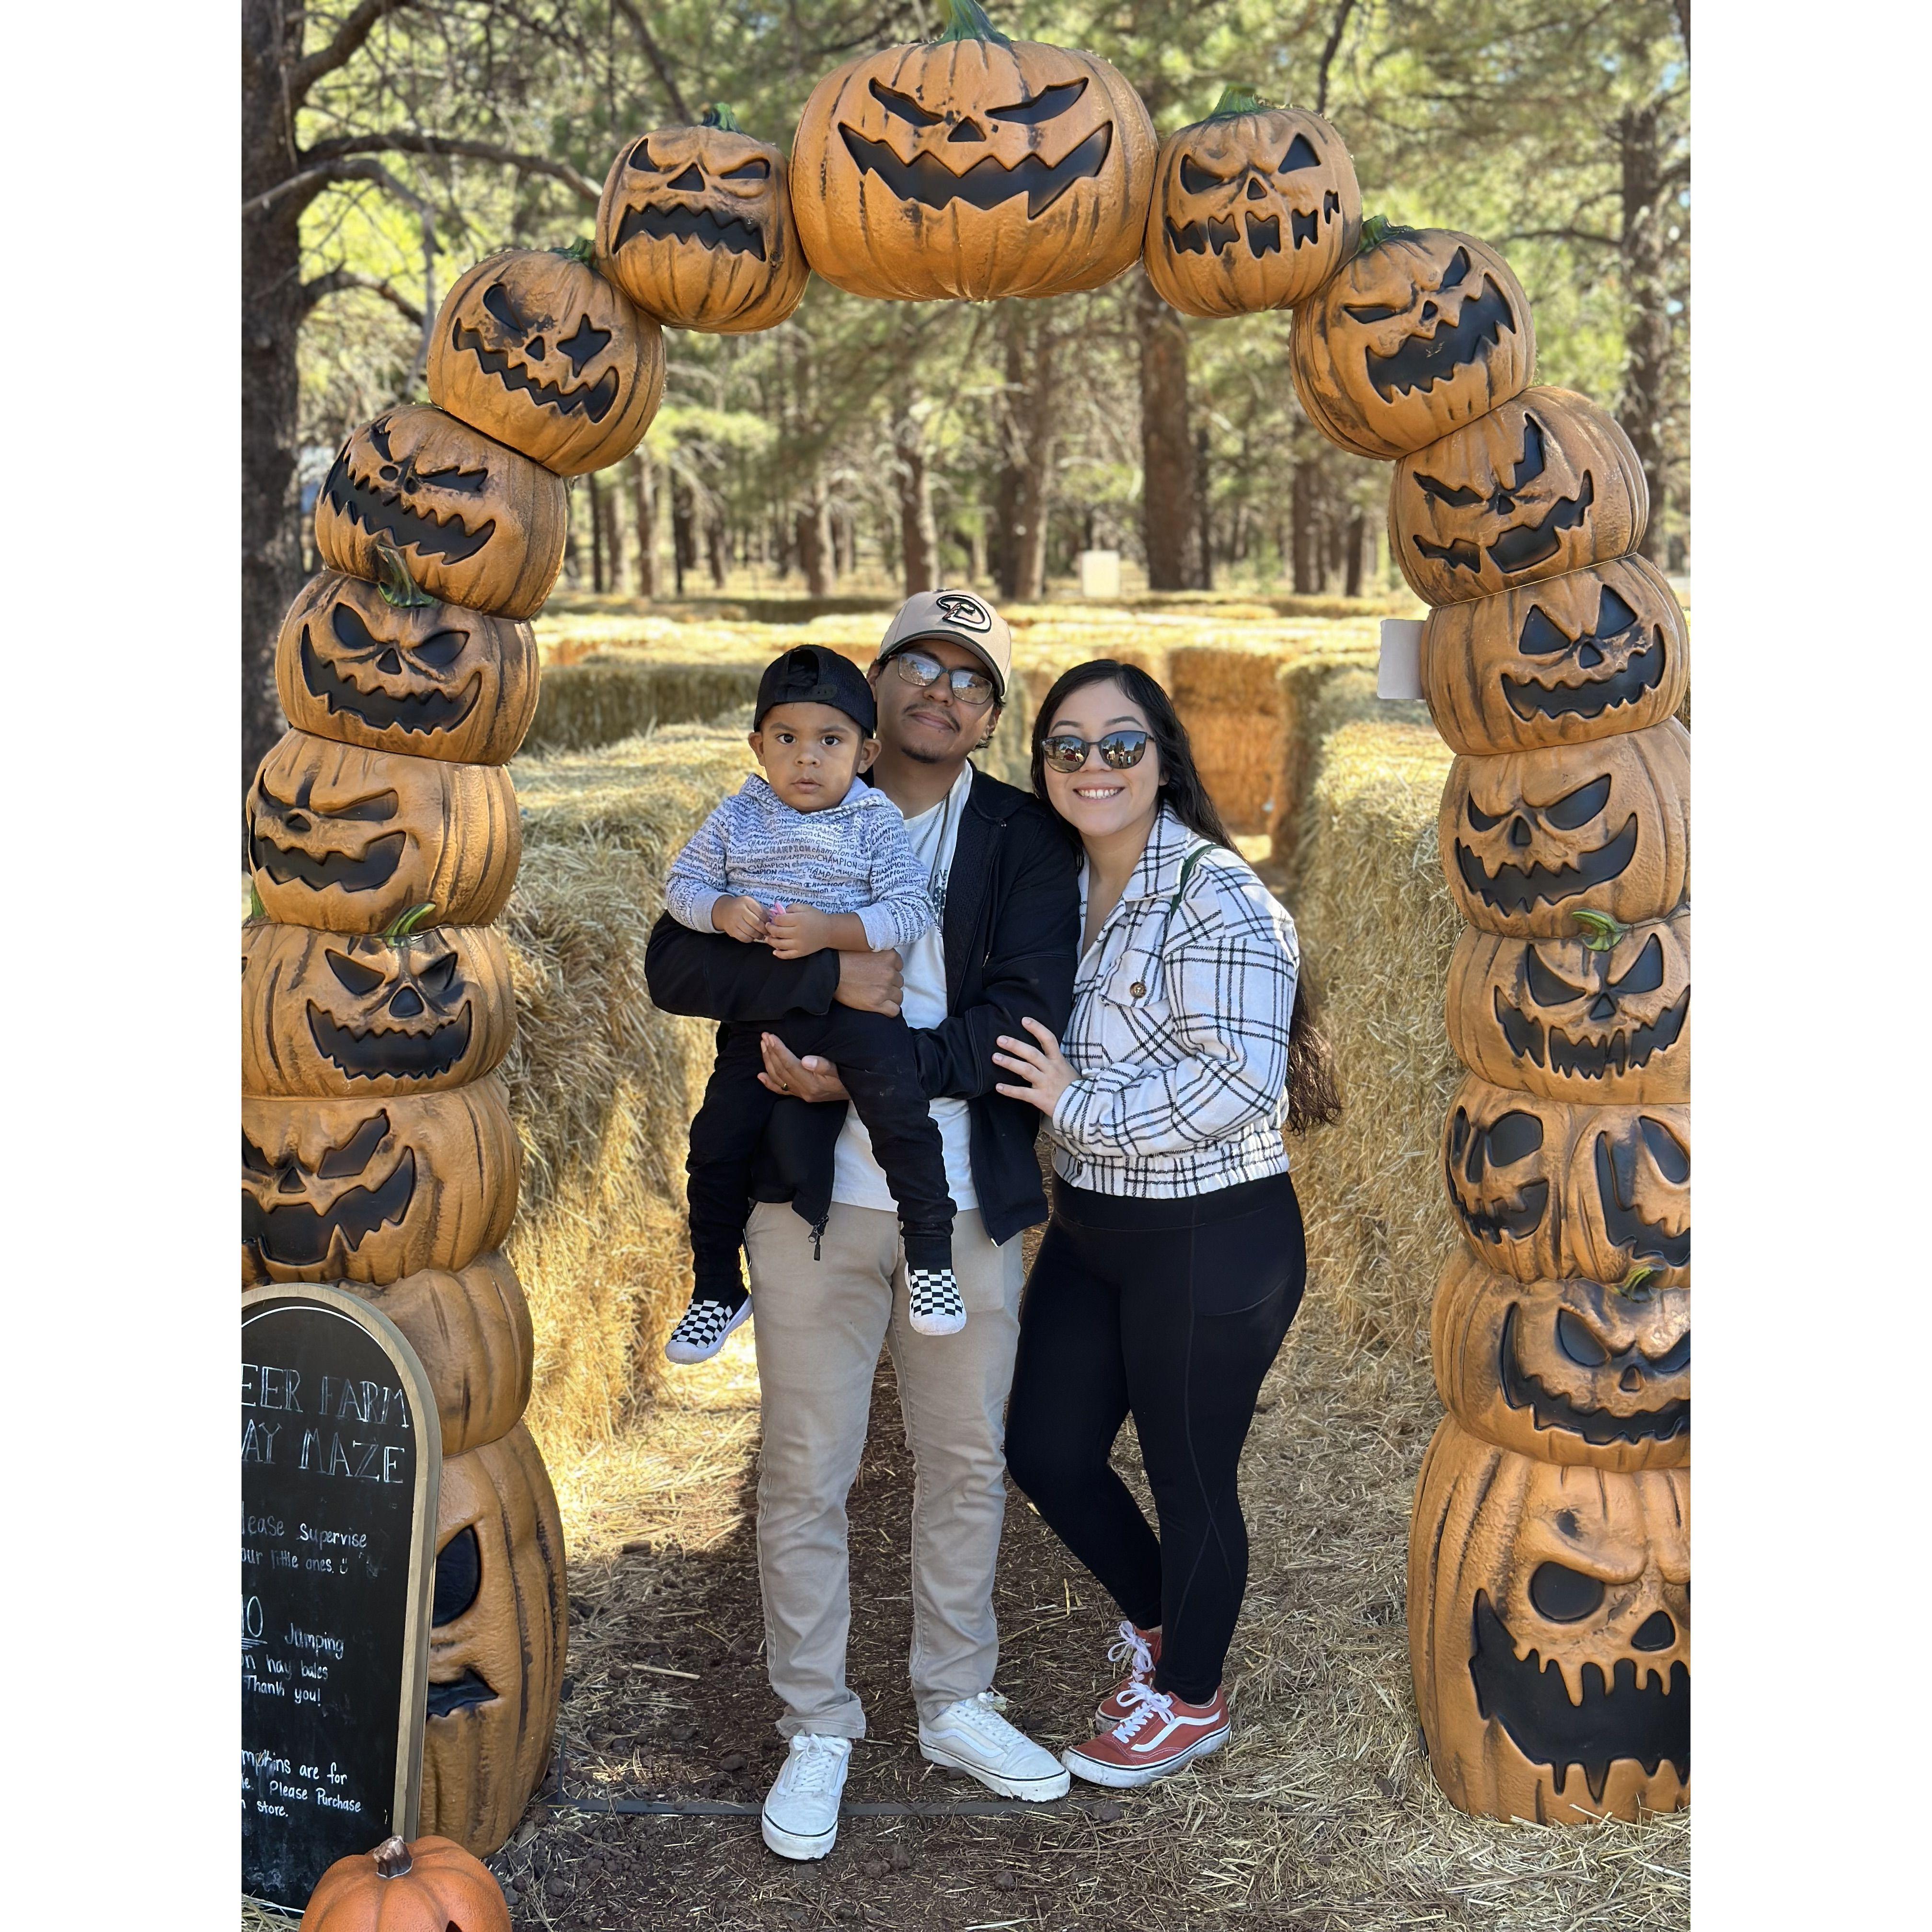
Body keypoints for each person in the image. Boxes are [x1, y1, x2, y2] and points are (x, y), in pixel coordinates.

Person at [644, 588, 1081, 1860]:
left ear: (992, 715)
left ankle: (955, 1703)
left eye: (971, 678)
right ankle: (818, 1726)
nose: (943, 691)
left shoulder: (1024, 837)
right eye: (921, 666)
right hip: (808, 1199)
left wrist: (867, 1066)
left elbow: (1024, 1014)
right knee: (804, 1469)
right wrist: (831, 977)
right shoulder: (795, 793)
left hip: (965, 1201)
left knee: (965, 1462)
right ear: (874, 686)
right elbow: (675, 964)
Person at [993, 658, 1340, 1791]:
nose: (1092, 765)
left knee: (1190, 1475)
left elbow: (1241, 1083)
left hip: (1210, 1235)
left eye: (1120, 744)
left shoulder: (1216, 894)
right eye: (1068, 746)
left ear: (1163, 758)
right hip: (1092, 1225)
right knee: (1044, 1450)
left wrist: (1072, 1105)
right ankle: (1161, 1623)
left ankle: (1191, 1699)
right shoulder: (1056, 887)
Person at [661, 644, 964, 1362]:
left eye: (830, 741)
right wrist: (719, 909)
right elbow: (679, 888)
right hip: (762, 1022)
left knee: (903, 1118)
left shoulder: (873, 820)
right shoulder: (738, 817)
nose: (806, 757)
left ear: (865, 754)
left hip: (858, 1017)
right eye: (787, 739)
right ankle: (716, 1286)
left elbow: (912, 909)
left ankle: (931, 1257)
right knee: (714, 1143)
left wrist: (831, 932)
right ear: (758, 747)